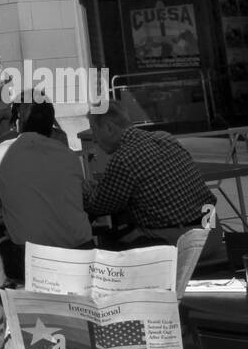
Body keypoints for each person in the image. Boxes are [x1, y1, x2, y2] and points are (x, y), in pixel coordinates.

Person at [84, 103, 221, 252]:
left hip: (183, 244)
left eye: (94, 129)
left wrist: (83, 189)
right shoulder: (166, 138)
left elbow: (98, 205)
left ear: (109, 128)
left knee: (109, 244)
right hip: (213, 232)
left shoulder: (124, 157)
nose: (94, 139)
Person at [0, 100, 92, 280]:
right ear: (51, 123)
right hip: (79, 250)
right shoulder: (68, 156)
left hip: (31, 256)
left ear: (19, 121)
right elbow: (81, 198)